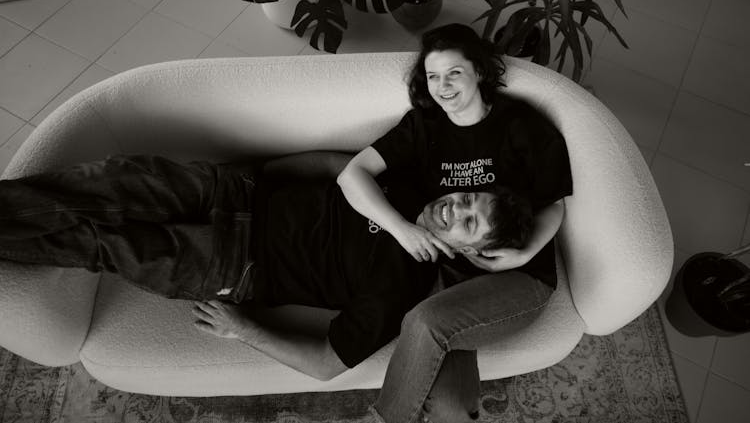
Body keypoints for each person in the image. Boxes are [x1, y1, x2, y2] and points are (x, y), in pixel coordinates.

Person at [0, 151, 533, 381]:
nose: (453, 206)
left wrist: (244, 329)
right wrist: (256, 174)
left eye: (466, 223)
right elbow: (335, 165)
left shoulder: (405, 287)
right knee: (104, 183)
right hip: (233, 189)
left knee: (98, 239)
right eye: (467, 196)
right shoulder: (412, 180)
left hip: (231, 263)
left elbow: (327, 363)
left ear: (470, 252)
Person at [336, 23, 573, 422]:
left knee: (426, 322)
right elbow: (351, 175)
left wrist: (521, 255)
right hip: (447, 274)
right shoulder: (424, 125)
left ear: (479, 71)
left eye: (453, 73)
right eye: (432, 76)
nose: (442, 86)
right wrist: (403, 229)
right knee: (453, 409)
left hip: (519, 278)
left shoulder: (522, 126)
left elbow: (555, 204)